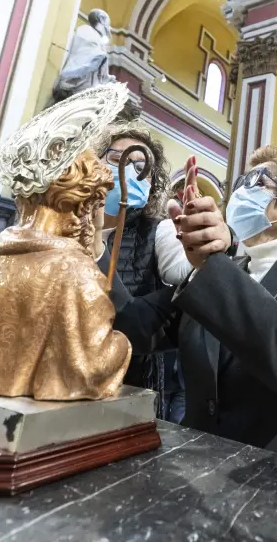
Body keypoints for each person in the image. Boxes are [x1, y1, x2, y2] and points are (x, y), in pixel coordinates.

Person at [103, 146, 277, 473]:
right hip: (204, 467)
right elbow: (133, 327)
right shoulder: (220, 271)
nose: (240, 192)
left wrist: (212, 265)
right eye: (239, 182)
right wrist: (93, 244)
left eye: (257, 181)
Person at [97, 123, 188, 422]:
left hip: (132, 378)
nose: (128, 169)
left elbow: (181, 271)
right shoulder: (66, 224)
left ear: (151, 181)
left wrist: (199, 250)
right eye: (116, 158)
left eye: (141, 165)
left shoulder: (158, 230)